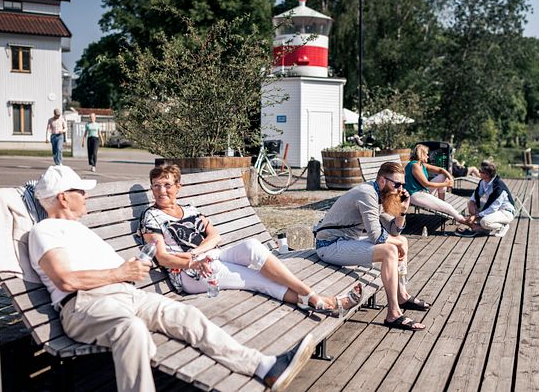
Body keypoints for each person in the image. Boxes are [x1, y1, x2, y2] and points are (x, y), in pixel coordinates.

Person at [28, 165, 313, 392]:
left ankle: (265, 367)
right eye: (81, 191)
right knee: (132, 331)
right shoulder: (46, 230)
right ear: (64, 197)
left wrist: (133, 269)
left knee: (187, 316)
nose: (86, 195)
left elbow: (126, 269)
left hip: (128, 296)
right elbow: (64, 279)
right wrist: (120, 273)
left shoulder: (82, 231)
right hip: (87, 305)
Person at [139, 165, 363, 317]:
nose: (161, 191)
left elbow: (215, 236)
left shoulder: (189, 209)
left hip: (208, 256)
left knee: (252, 246)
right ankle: (322, 301)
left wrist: (196, 252)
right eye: (156, 185)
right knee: (259, 279)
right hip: (192, 273)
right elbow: (163, 257)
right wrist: (192, 261)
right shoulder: (152, 217)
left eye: (167, 185)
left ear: (178, 187)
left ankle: (314, 299)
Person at [314, 162, 428, 331]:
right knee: (390, 250)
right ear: (382, 181)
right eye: (396, 184)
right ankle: (393, 314)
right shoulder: (367, 194)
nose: (400, 189)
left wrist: (402, 211)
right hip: (329, 245)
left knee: (401, 241)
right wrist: (397, 245)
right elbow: (377, 237)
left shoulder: (379, 194)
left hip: (346, 242)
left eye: (402, 185)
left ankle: (402, 295)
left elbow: (393, 231)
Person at [405, 144, 468, 225]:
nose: (428, 156)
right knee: (448, 207)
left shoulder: (421, 165)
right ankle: (466, 222)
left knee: (443, 176)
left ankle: (441, 203)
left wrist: (450, 178)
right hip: (415, 194)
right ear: (421, 154)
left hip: (423, 191)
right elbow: (426, 184)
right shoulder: (414, 165)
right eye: (427, 154)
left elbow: (441, 170)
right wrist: (446, 184)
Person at [456, 160, 515, 238]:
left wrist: (476, 216)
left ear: (487, 174)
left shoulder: (498, 187)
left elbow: (492, 209)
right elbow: (474, 197)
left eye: (480, 171)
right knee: (470, 203)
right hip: (495, 209)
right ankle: (483, 228)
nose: (478, 172)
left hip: (505, 212)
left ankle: (502, 226)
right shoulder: (483, 181)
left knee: (484, 222)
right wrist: (473, 206)